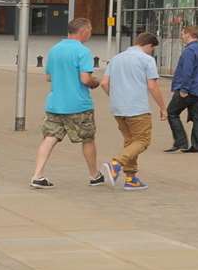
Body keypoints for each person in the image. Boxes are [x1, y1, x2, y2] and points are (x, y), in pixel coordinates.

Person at [29, 18, 105, 190]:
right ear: (83, 31)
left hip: (55, 103)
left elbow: (49, 77)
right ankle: (94, 175)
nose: (91, 33)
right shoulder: (83, 51)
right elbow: (85, 79)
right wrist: (95, 82)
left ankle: (37, 175)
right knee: (87, 138)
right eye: (90, 30)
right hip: (78, 104)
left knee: (50, 137)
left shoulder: (55, 50)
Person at [100, 31, 167, 190]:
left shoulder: (116, 59)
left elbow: (104, 83)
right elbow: (152, 86)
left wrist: (115, 96)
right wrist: (163, 107)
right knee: (142, 141)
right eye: (153, 49)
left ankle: (131, 178)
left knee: (130, 142)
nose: (152, 52)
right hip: (137, 108)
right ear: (149, 45)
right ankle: (115, 164)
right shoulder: (147, 60)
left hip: (118, 108)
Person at [165, 25, 198, 153]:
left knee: (172, 112)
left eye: (183, 34)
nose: (182, 36)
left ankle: (181, 142)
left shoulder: (189, 51)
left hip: (188, 88)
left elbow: (187, 71)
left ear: (188, 34)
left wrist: (184, 89)